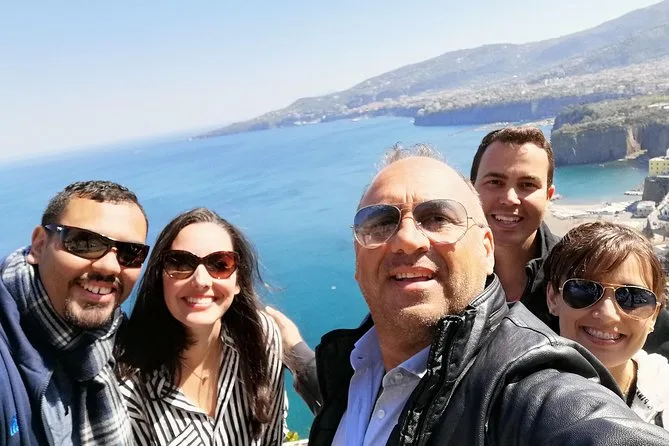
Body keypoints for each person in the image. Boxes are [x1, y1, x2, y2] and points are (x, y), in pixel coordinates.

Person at [308, 146, 669, 445]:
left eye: (437, 218)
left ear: (486, 251)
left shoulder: (528, 383)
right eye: (381, 222)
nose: (406, 239)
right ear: (357, 258)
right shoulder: (346, 369)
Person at [116, 208, 285, 445]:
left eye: (220, 264)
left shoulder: (261, 338)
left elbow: (271, 439)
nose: (201, 280)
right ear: (159, 277)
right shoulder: (130, 384)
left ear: (238, 281)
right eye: (181, 263)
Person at [0, 180, 149, 445]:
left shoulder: (118, 340)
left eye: (130, 253)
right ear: (39, 245)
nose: (109, 267)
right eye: (85, 243)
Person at [544, 221, 669, 428]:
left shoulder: (663, 388)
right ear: (552, 298)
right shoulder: (518, 400)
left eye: (632, 297)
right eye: (584, 290)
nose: (607, 314)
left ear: (654, 316)